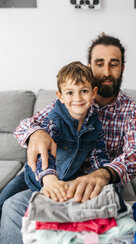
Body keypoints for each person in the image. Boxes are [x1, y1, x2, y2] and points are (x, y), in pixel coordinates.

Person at [0, 33, 136, 244]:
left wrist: (103, 173)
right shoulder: (70, 99)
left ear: (122, 67)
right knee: (5, 202)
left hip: (96, 178)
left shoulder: (130, 109)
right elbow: (28, 125)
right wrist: (36, 133)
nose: (106, 71)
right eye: (100, 63)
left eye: (113, 64)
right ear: (90, 67)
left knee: (92, 219)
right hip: (49, 170)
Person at [24, 61, 111, 201]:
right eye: (70, 92)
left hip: (66, 180)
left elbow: (98, 156)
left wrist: (101, 175)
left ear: (93, 93)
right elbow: (43, 152)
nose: (78, 98)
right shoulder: (54, 120)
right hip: (38, 177)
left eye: (84, 91)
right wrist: (49, 179)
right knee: (3, 199)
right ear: (60, 97)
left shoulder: (96, 125)